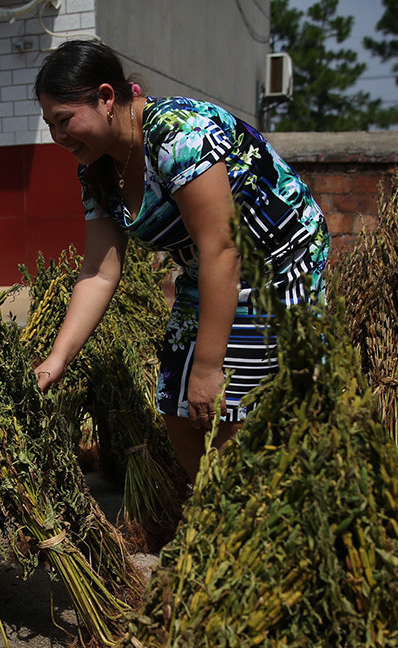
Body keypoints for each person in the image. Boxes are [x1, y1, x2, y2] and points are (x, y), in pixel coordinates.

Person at [32, 40, 330, 477]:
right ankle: (217, 509)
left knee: (229, 412)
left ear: (106, 98)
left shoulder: (178, 133)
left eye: (64, 121)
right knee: (176, 406)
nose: (59, 138)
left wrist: (209, 368)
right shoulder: (96, 167)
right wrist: (56, 359)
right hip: (205, 270)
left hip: (278, 264)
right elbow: (99, 270)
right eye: (50, 126)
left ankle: (251, 518)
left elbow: (222, 248)